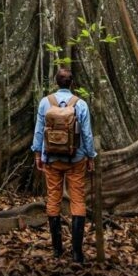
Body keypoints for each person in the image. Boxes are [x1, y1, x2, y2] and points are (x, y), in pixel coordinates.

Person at [31, 68, 96, 263]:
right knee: (77, 200)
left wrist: (37, 154)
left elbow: (39, 131)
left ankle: (57, 250)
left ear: (56, 82)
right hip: (76, 160)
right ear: (72, 83)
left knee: (53, 199)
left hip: (51, 160)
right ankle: (77, 253)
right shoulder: (81, 104)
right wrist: (91, 156)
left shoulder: (45, 102)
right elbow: (87, 134)